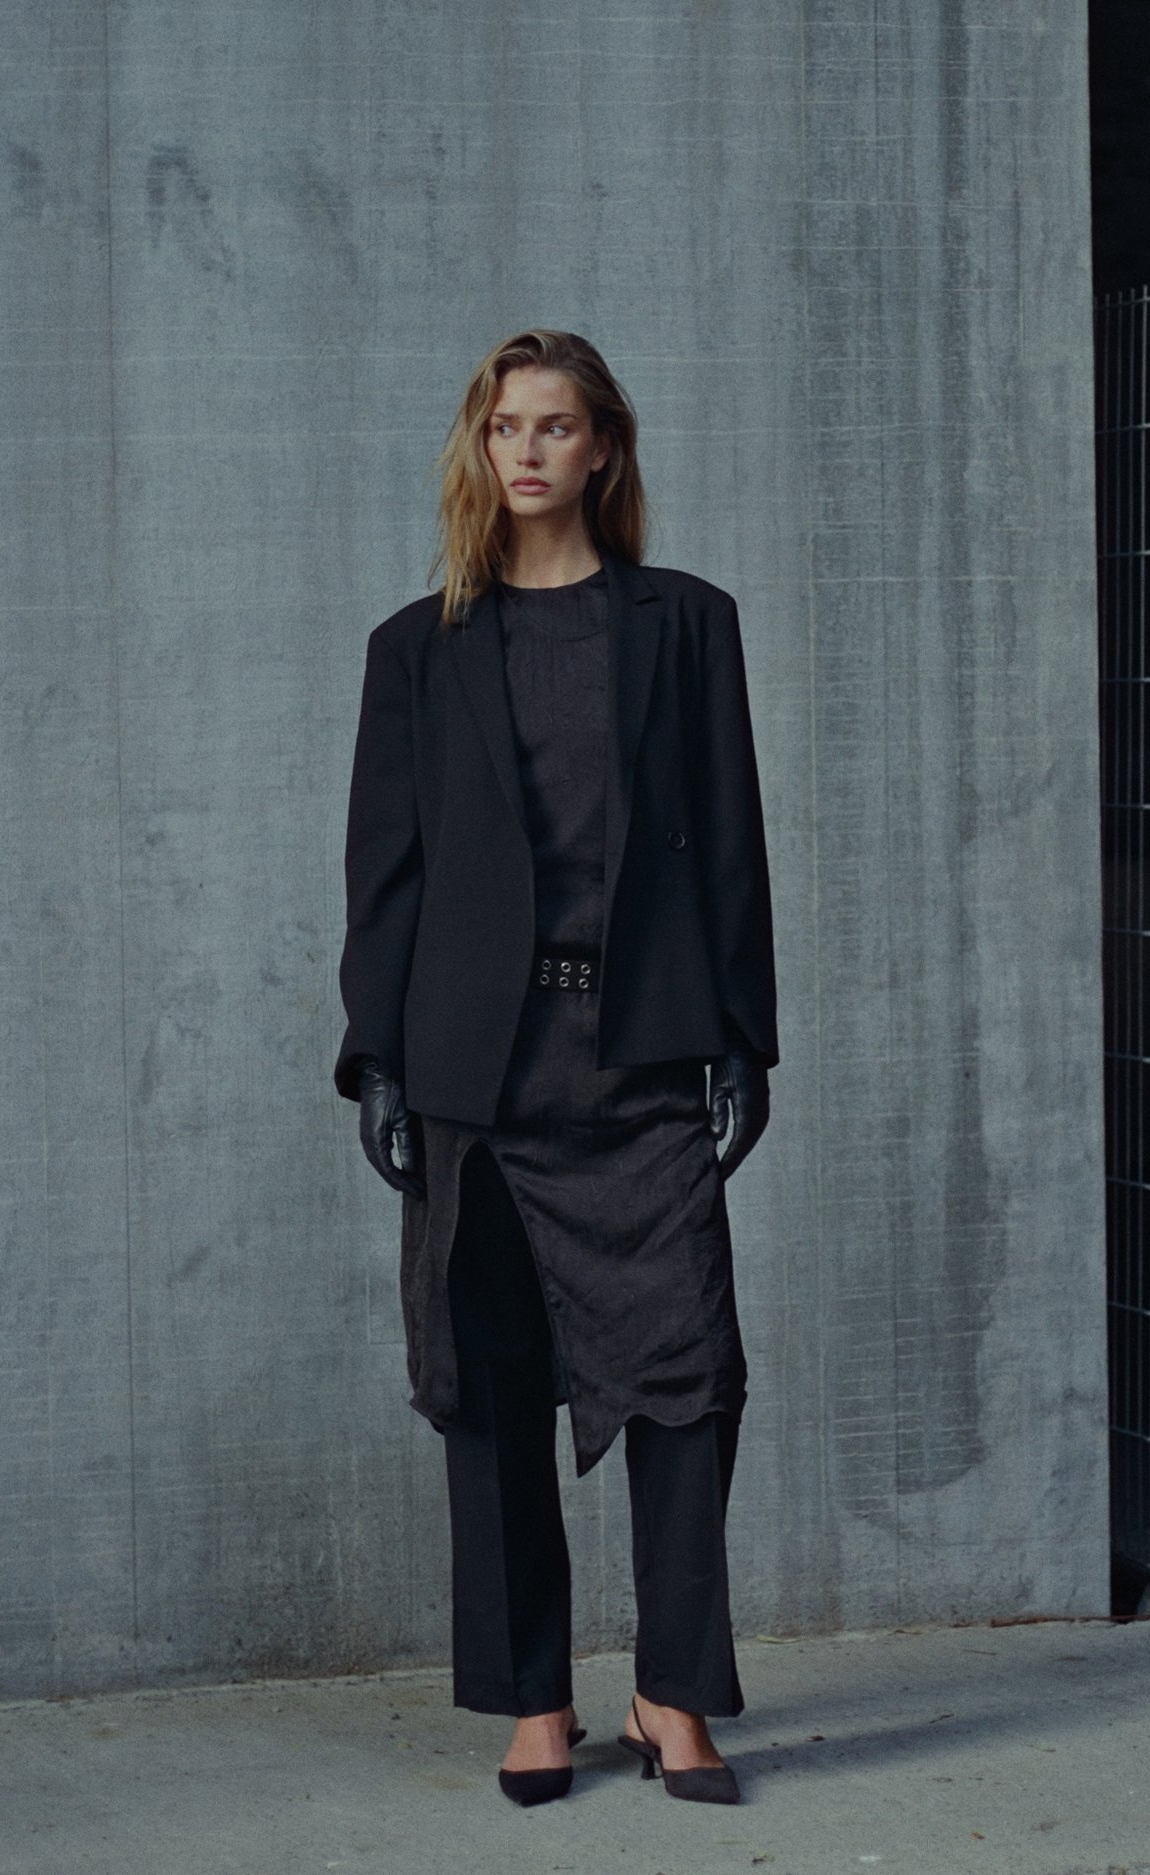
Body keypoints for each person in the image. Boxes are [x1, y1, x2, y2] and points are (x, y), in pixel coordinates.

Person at [333, 329, 777, 1807]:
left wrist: (743, 1035)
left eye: (555, 424)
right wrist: (380, 1058)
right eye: (503, 425)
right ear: (483, 450)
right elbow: (385, 876)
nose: (525, 449)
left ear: (603, 448)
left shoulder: (685, 628)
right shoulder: (420, 648)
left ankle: (671, 1692)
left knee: (684, 1380)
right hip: (480, 1074)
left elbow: (730, 850)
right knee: (493, 1389)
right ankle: (534, 1697)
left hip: (640, 1056)